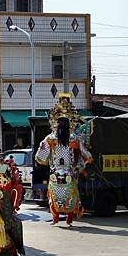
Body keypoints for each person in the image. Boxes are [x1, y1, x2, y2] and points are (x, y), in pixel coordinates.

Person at [35, 94, 91, 226]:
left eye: (64, 122)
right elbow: (86, 155)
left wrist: (78, 166)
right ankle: (58, 218)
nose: (63, 124)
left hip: (68, 172)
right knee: (55, 196)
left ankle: (67, 218)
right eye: (61, 121)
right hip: (57, 173)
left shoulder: (72, 139)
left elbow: (84, 154)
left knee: (68, 196)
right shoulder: (51, 139)